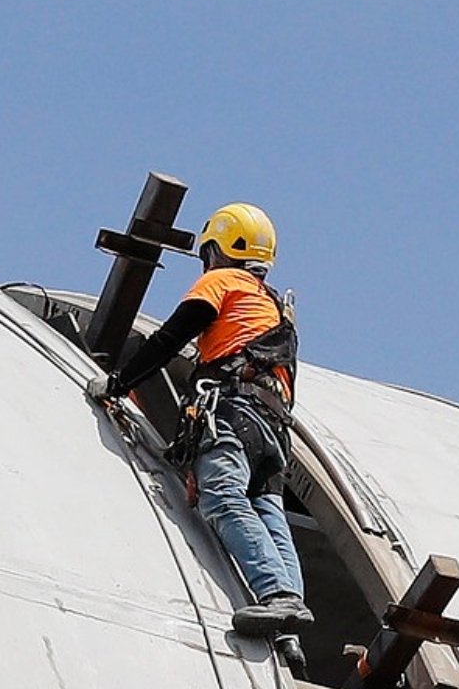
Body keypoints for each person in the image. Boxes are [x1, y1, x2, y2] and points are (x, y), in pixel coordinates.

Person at [87, 203, 311, 635]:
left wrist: (118, 383)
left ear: (218, 249)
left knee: (222, 495)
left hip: (234, 412)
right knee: (268, 510)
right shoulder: (274, 307)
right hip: (272, 428)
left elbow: (170, 338)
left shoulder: (222, 281)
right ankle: (288, 624)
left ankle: (277, 597)